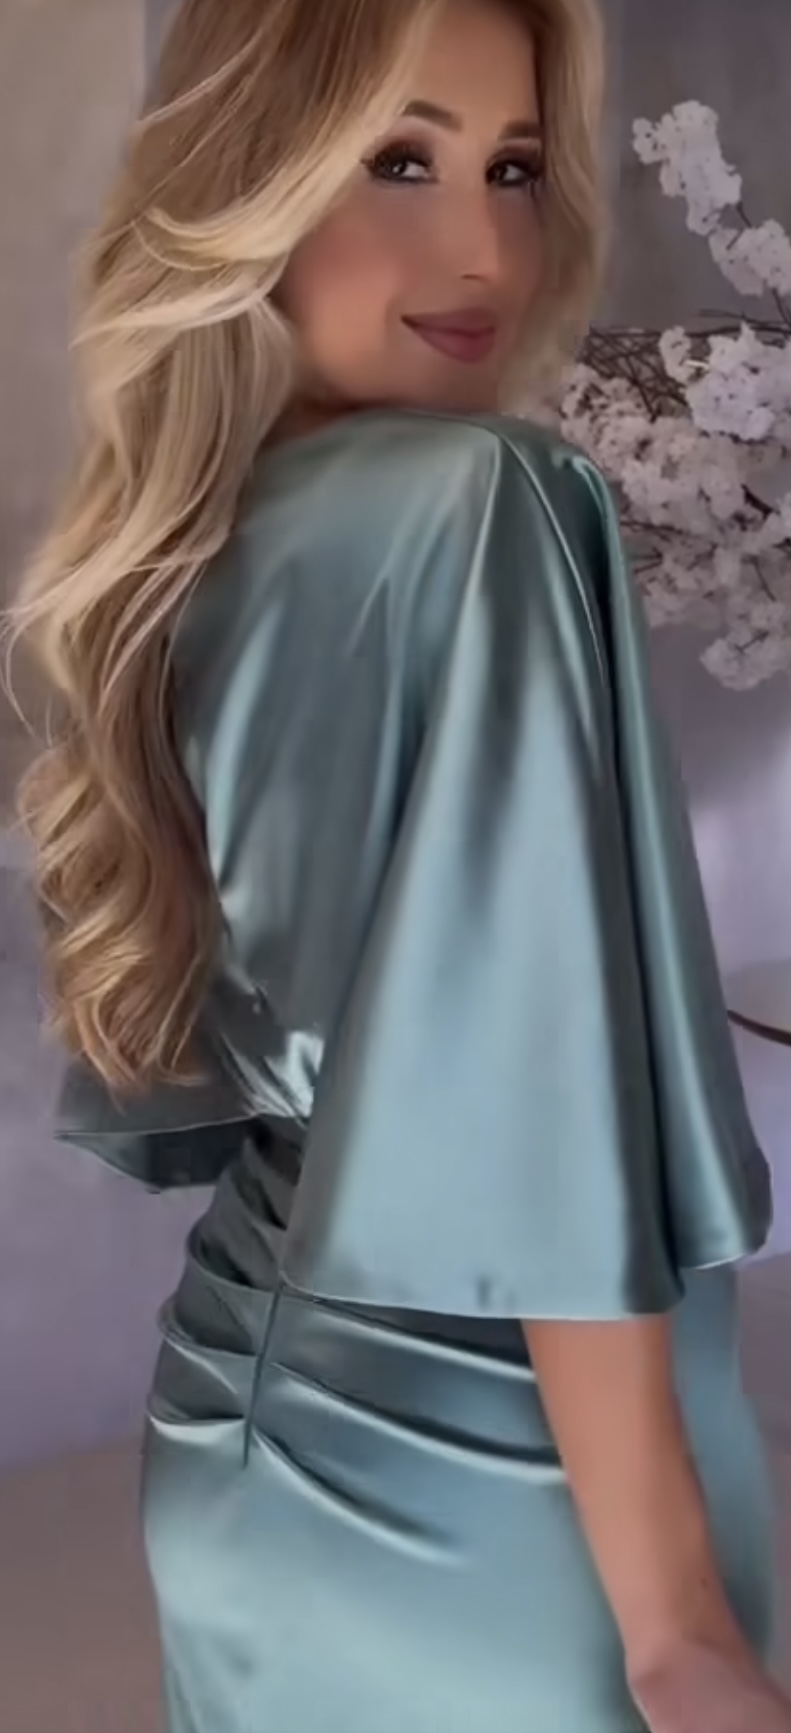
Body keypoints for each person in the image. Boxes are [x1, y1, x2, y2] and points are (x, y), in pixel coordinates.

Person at [11, 1, 789, 1729]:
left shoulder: (199, 541)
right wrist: (675, 1622)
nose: (483, 247)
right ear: (255, 179)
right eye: (398, 161)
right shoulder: (480, 507)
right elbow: (530, 1111)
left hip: (252, 1424)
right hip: (495, 1488)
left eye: (512, 168)